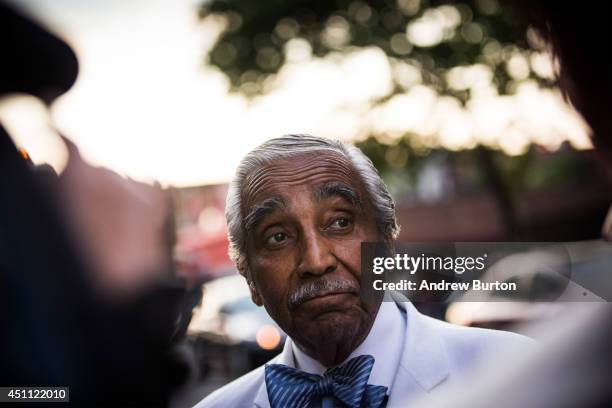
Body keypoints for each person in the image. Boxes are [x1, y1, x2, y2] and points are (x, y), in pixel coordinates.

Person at [194, 134, 529, 408]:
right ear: (249, 276)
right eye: (278, 237)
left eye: (340, 222)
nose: (315, 261)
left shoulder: (518, 371)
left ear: (387, 242)